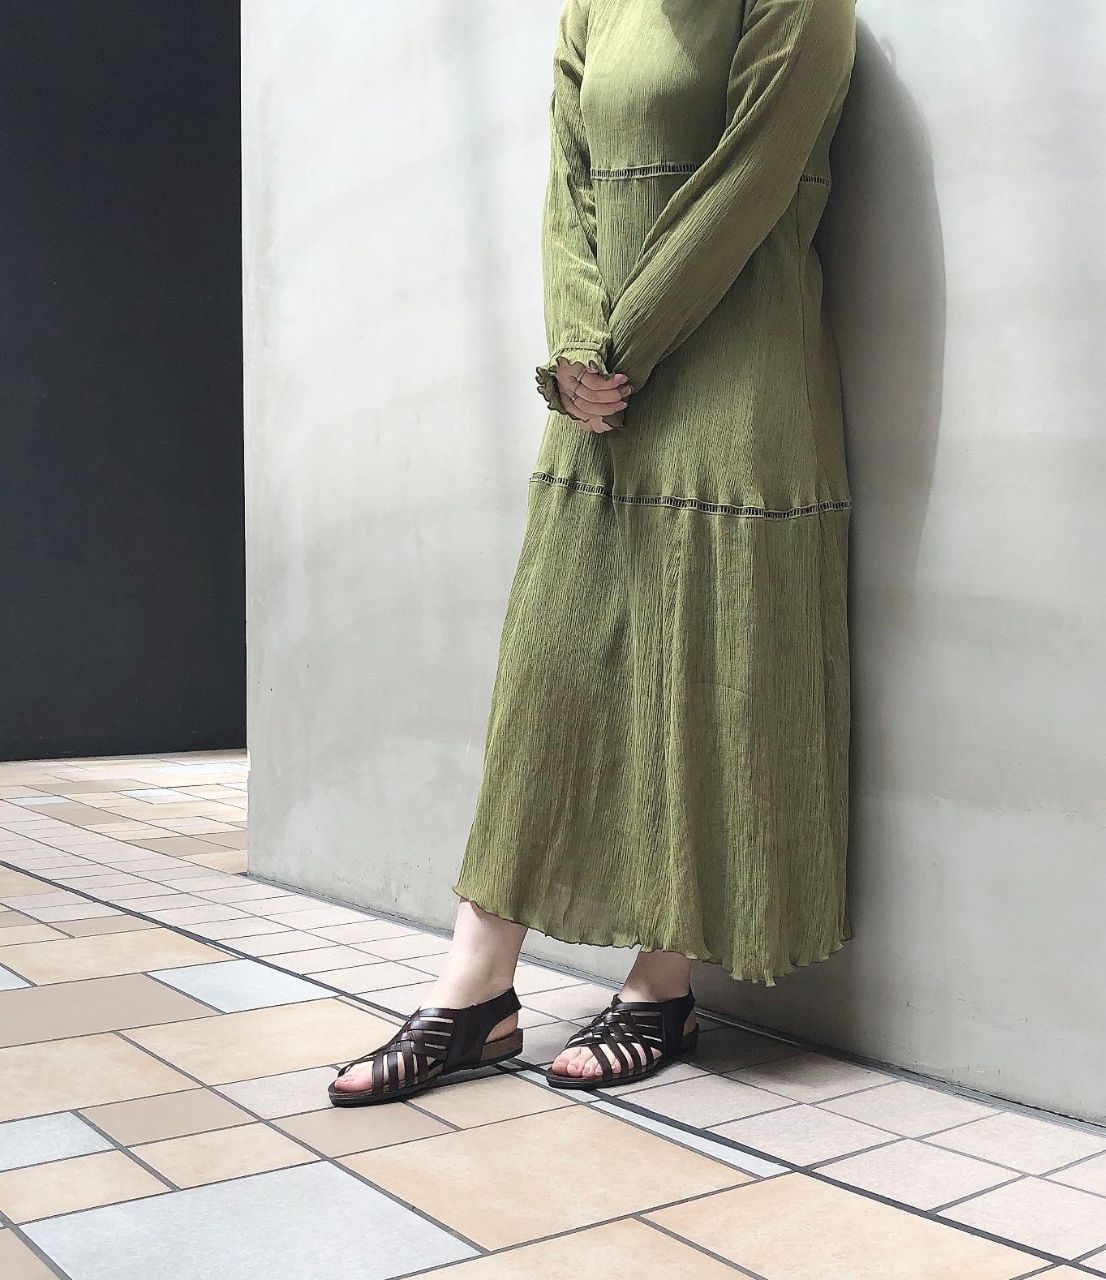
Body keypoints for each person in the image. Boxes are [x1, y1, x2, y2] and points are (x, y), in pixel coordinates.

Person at [330, 0, 856, 1106]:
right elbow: (565, 185)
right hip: (602, 392)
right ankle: (476, 988)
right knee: (551, 672)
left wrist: (617, 349)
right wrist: (576, 348)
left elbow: (749, 185)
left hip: (735, 383)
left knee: (706, 676)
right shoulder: (593, 6)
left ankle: (663, 985)